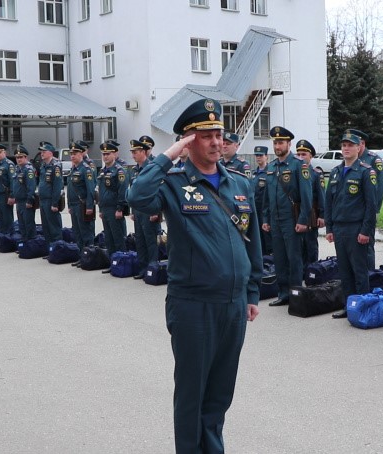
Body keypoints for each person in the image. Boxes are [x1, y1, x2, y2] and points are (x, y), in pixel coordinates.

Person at [126, 98, 261, 454]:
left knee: (219, 396)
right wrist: (168, 156)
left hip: (232, 306)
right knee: (192, 396)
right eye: (205, 136)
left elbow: (252, 243)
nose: (216, 141)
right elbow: (137, 197)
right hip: (193, 306)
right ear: (188, 141)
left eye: (219, 134)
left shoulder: (240, 184)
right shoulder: (171, 183)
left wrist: (251, 292)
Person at [326, 132, 376, 319]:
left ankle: (362, 307)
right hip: (339, 228)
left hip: (356, 229)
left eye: (350, 145)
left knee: (359, 271)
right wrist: (329, 229)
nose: (346, 148)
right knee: (344, 270)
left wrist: (365, 231)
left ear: (358, 148)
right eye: (344, 145)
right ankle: (349, 306)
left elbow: (371, 205)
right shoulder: (335, 172)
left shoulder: (365, 171)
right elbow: (329, 202)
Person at [261, 126, 312, 306]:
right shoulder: (271, 166)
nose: (277, 145)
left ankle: (296, 293)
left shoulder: (299, 165)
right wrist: (266, 219)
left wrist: (303, 220)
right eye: (275, 142)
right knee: (280, 259)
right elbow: (267, 197)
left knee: (294, 258)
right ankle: (283, 294)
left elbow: (306, 196)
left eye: (281, 142)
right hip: (275, 220)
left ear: (289, 144)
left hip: (292, 220)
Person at [347, 128, 383, 269]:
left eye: (357, 143)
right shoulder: (350, 159)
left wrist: (375, 209)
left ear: (362, 143)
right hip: (353, 212)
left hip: (368, 210)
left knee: (367, 246)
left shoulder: (374, 159)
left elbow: (380, 188)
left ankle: (370, 274)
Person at [129, 137, 162, 279]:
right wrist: (132, 210)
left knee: (151, 242)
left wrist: (156, 212)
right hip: (138, 211)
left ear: (143, 152)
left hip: (150, 211)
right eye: (132, 152)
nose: (133, 155)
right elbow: (133, 192)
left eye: (135, 152)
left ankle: (153, 269)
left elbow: (158, 190)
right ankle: (143, 269)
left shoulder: (151, 168)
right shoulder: (134, 169)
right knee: (140, 241)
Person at [294, 139, 325, 266]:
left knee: (310, 244)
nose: (300, 157)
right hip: (296, 212)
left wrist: (322, 215)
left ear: (311, 156)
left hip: (311, 214)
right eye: (298, 154)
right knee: (297, 246)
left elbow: (322, 196)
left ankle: (312, 271)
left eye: (304, 154)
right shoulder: (294, 172)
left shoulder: (316, 174)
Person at [97, 141, 129, 257]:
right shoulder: (102, 171)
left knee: (118, 238)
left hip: (114, 209)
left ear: (114, 154)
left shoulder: (119, 171)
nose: (105, 156)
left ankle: (121, 262)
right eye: (104, 154)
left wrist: (120, 208)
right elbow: (100, 191)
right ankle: (113, 263)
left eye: (108, 154)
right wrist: (100, 209)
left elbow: (122, 191)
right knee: (109, 239)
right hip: (105, 209)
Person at [67, 145, 96, 251]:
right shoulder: (73, 169)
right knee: (77, 232)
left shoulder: (86, 169)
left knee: (85, 232)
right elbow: (70, 189)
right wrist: (69, 205)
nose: (72, 156)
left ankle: (89, 255)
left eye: (75, 154)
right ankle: (81, 256)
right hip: (74, 204)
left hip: (82, 204)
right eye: (71, 154)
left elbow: (90, 189)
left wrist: (89, 206)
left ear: (81, 155)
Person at [37, 141, 64, 244]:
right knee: (46, 227)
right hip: (43, 200)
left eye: (44, 151)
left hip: (50, 200)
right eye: (41, 152)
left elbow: (57, 186)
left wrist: (54, 203)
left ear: (50, 153)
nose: (42, 153)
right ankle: (50, 250)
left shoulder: (55, 166)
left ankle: (58, 249)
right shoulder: (43, 165)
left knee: (54, 227)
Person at [11, 145, 37, 241]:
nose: (19, 159)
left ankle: (31, 243)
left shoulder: (28, 170)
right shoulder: (18, 169)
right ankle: (25, 245)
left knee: (28, 224)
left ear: (26, 157)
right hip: (19, 201)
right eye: (17, 158)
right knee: (21, 224)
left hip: (26, 201)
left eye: (21, 157)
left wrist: (30, 201)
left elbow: (31, 187)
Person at [0, 144, 16, 234]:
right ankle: (3, 236)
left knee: (7, 218)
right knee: (0, 218)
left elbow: (13, 181)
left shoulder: (9, 165)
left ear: (4, 153)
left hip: (5, 195)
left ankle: (9, 237)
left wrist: (12, 196)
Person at [251, 146, 272, 255]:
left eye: (261, 155)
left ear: (266, 156)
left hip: (265, 212)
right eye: (257, 155)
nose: (258, 157)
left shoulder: (270, 173)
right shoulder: (253, 173)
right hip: (255, 211)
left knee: (267, 241)